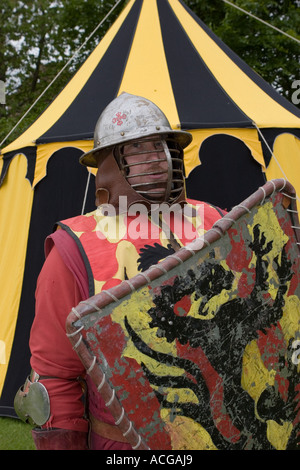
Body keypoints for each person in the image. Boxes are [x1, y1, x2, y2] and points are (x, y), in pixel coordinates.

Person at [15, 93, 225, 450]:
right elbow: (55, 375)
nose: (156, 159)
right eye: (138, 149)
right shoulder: (74, 246)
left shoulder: (216, 220)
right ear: (109, 163)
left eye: (162, 146)